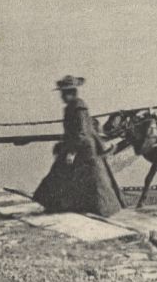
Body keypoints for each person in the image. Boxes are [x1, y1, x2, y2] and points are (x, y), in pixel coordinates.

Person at [33, 75, 124, 216]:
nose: (62, 96)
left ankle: (97, 208)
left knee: (88, 181)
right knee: (70, 176)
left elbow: (82, 132)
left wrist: (71, 152)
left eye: (63, 93)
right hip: (78, 146)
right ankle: (57, 205)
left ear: (71, 93)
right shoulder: (72, 107)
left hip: (84, 149)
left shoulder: (78, 107)